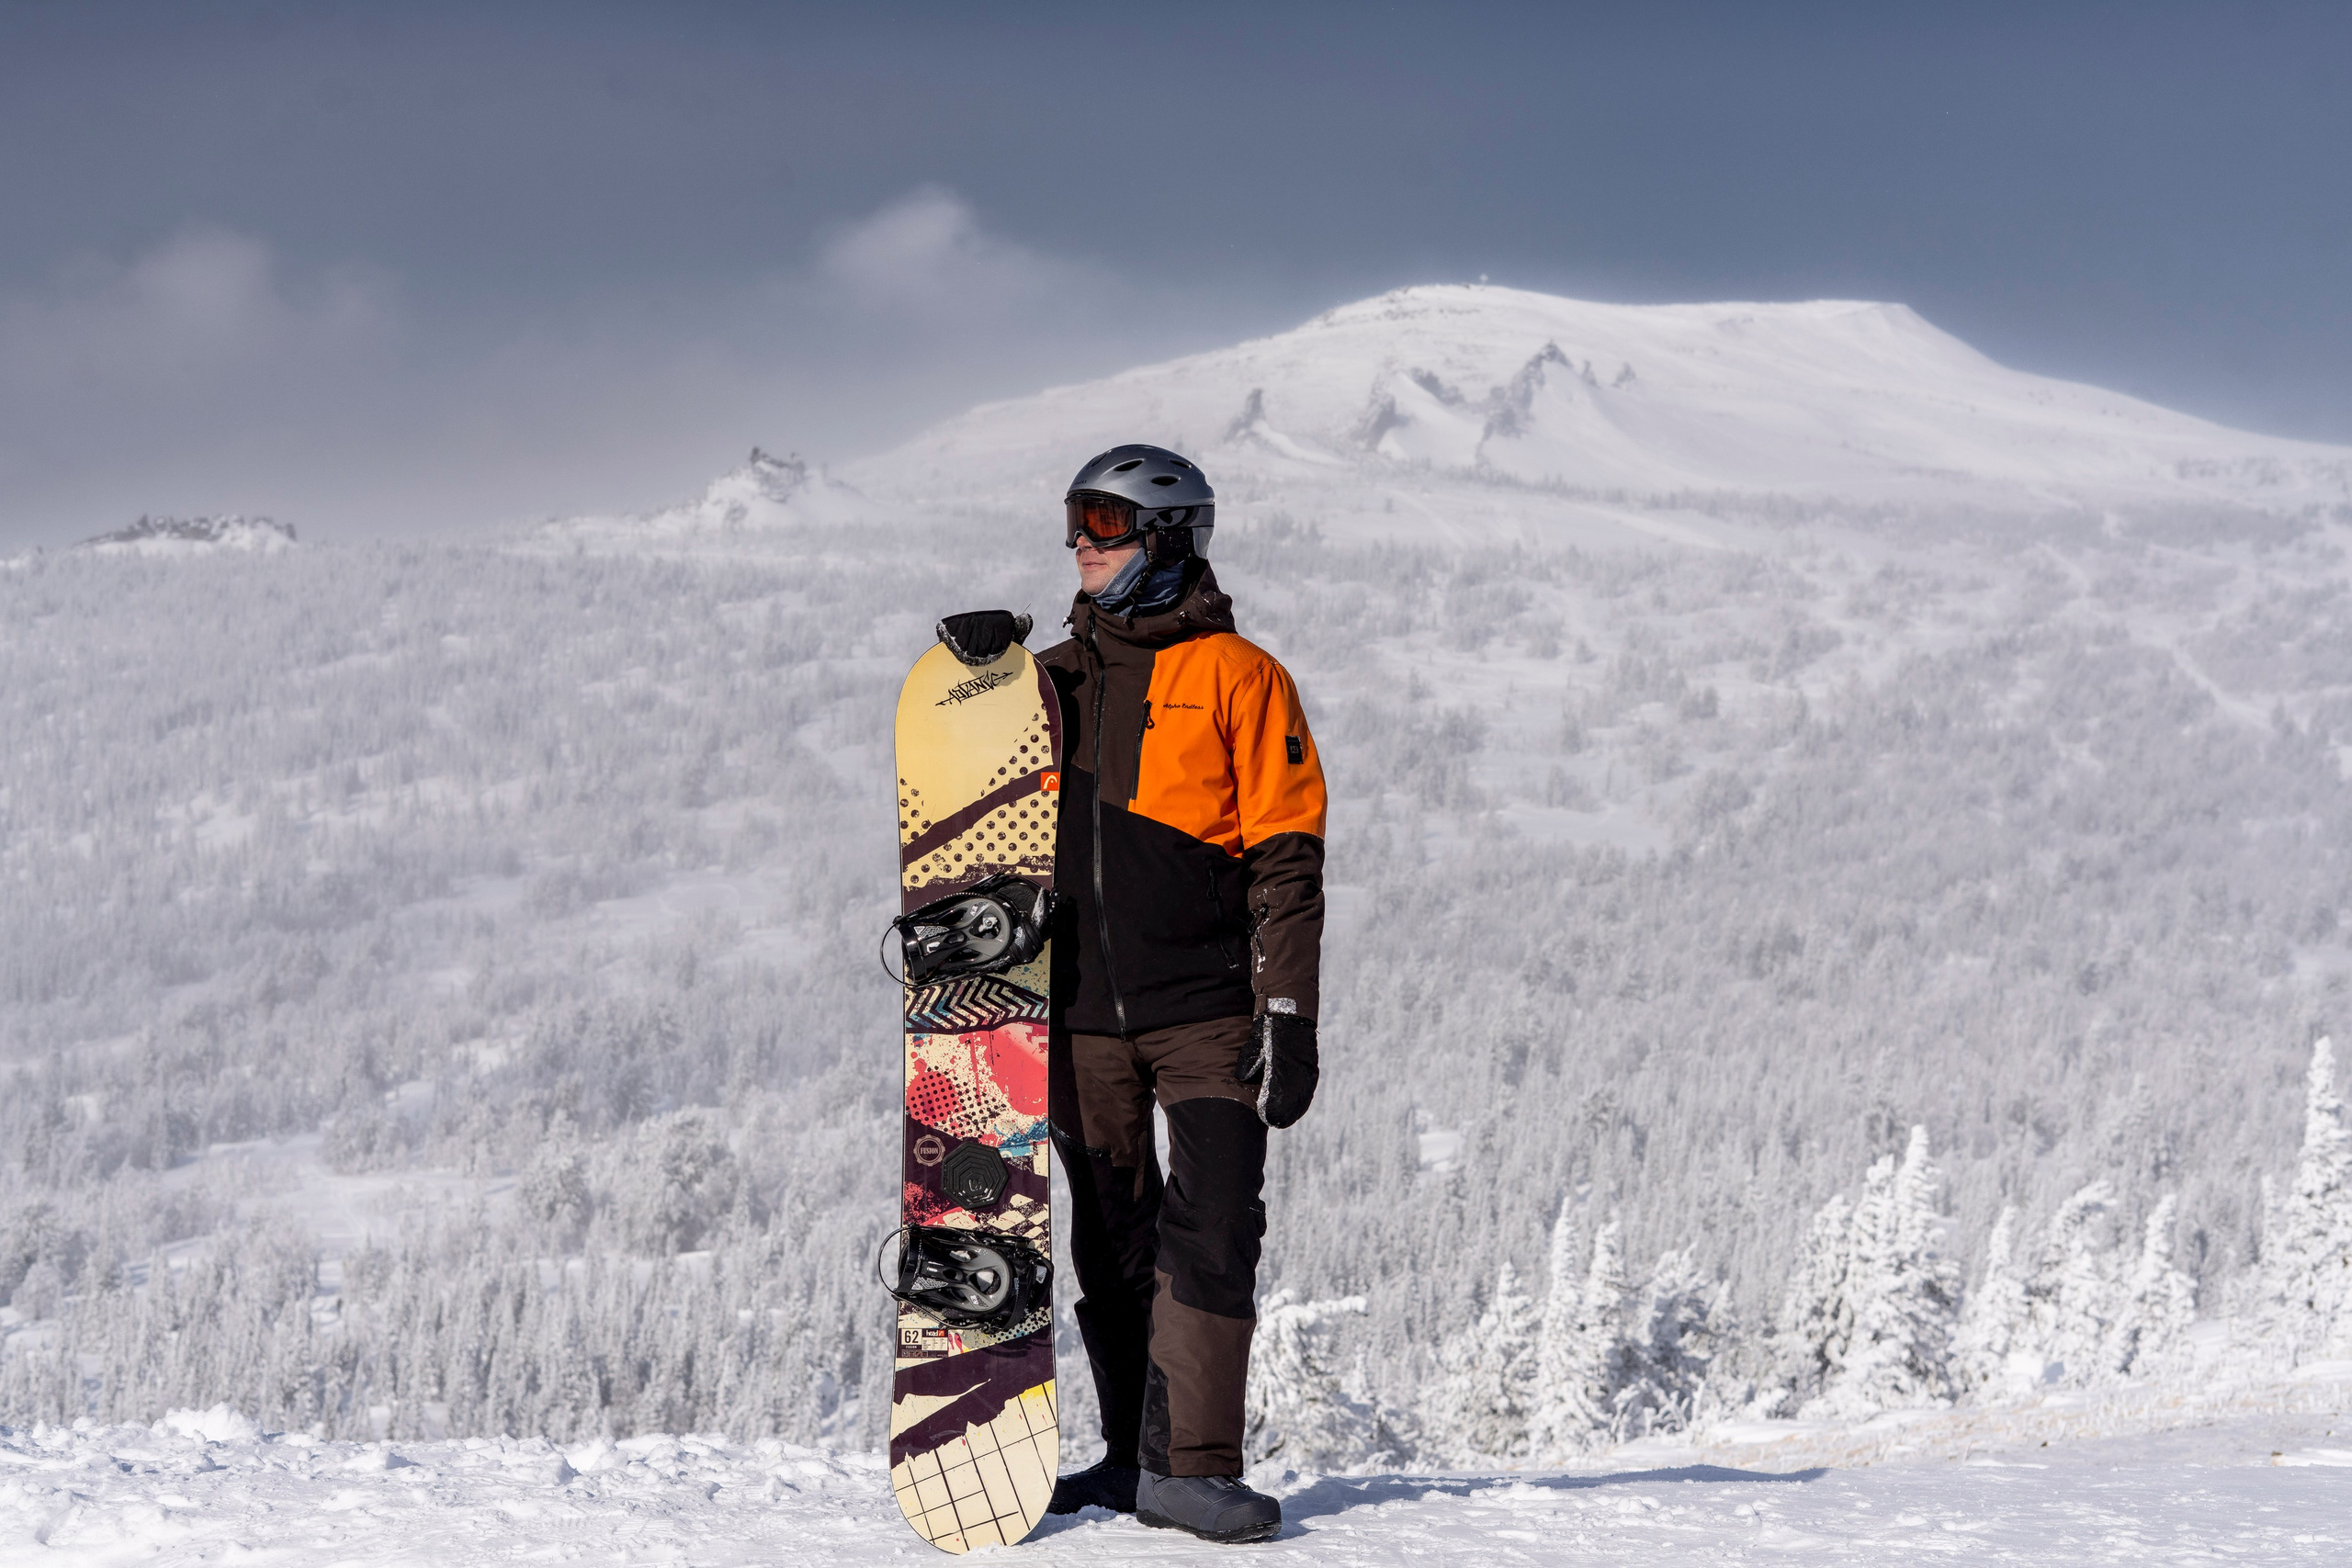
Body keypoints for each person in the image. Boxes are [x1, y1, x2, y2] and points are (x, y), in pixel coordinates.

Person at [939, 444, 1326, 1544]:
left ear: (1164, 539)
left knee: (1212, 1228)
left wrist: (1287, 1010)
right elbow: (965, 807)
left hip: (1208, 1013)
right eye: (1074, 523)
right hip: (1072, 1021)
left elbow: (1289, 860)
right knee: (1111, 1235)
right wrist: (978, 680)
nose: (1079, 543)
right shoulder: (1050, 681)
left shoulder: (1242, 678)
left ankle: (1191, 1467)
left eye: (1103, 525)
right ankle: (1130, 1459)